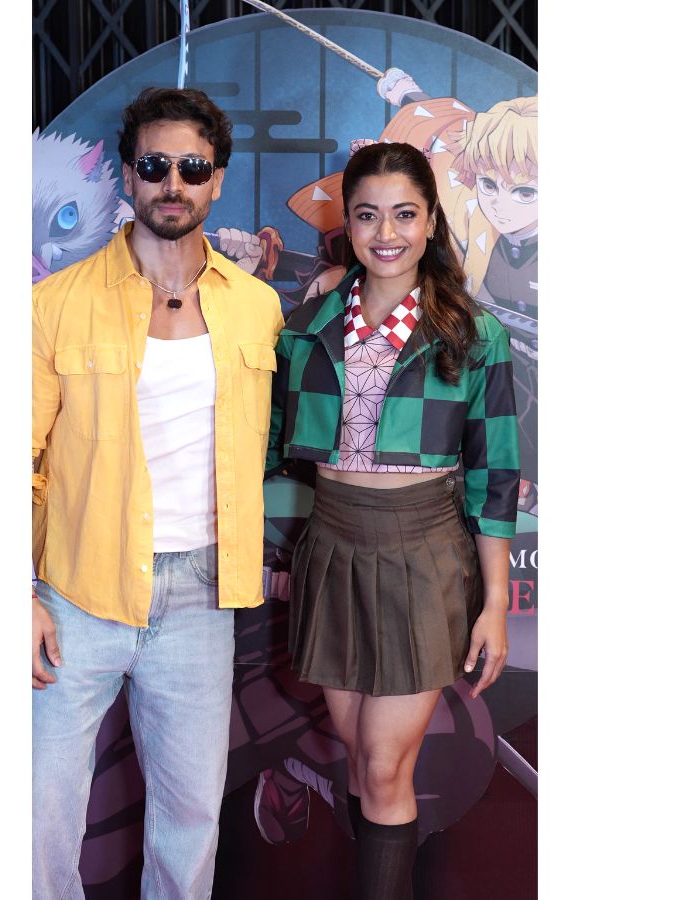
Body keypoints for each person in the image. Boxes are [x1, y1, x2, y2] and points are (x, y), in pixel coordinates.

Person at [31, 86, 284, 900]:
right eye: (154, 165)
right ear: (128, 174)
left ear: (217, 180)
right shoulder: (54, 305)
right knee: (38, 815)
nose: (173, 183)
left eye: (192, 168)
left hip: (200, 598)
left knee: (190, 820)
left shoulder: (257, 309)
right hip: (75, 591)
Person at [266, 141, 520, 899]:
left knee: (383, 765)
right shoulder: (303, 329)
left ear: (432, 220)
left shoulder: (473, 334)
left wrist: (496, 604)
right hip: (331, 547)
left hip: (424, 553)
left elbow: (494, 476)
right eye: (368, 215)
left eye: (405, 214)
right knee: (358, 754)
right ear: (346, 222)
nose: (387, 233)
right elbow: (266, 447)